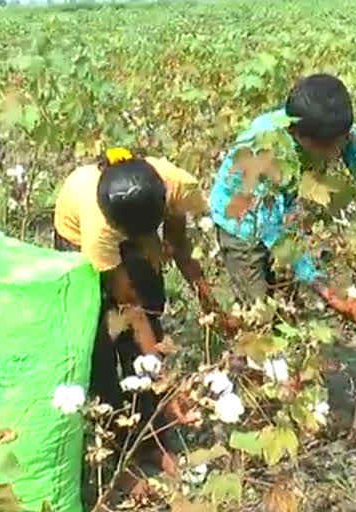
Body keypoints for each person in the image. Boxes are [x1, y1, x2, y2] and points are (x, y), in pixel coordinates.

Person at [53, 147, 221, 478]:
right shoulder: (99, 227)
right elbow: (131, 306)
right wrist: (164, 379)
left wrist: (209, 303)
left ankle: (156, 442)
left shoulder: (175, 186)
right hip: (76, 241)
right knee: (100, 344)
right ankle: (121, 453)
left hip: (130, 230)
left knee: (148, 327)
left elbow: (179, 247)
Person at [209, 74, 356, 325]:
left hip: (281, 211)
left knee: (286, 303)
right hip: (241, 221)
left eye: (339, 143)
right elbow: (275, 231)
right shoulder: (264, 149)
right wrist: (337, 299)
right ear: (296, 134)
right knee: (258, 312)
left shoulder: (341, 132)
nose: (335, 152)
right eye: (325, 146)